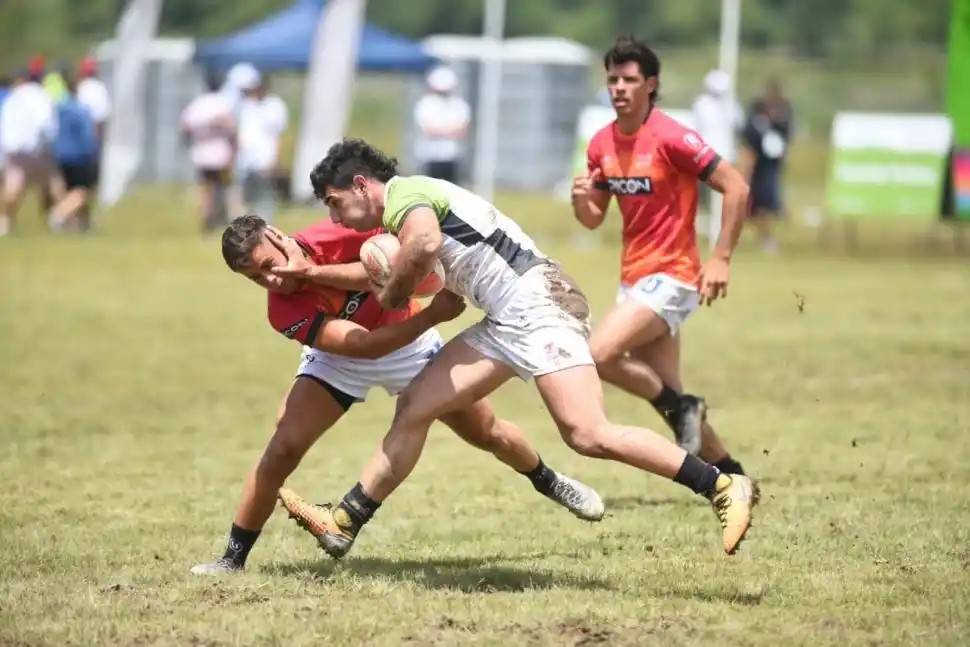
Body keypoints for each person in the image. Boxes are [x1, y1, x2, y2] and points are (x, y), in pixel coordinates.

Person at [275, 137, 760, 561]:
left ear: (362, 185)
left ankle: (720, 484)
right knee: (416, 406)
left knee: (587, 434)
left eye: (335, 203)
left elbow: (423, 244)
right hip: (504, 318)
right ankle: (344, 522)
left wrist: (394, 294)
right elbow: (423, 259)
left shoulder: (405, 197)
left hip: (538, 304)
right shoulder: (405, 208)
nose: (334, 216)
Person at [190, 215, 605, 574]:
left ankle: (549, 481)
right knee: (281, 448)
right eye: (255, 278)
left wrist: (320, 274)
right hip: (343, 356)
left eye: (268, 265)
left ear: (278, 237)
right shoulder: (280, 310)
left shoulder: (336, 233)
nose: (270, 280)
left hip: (410, 346)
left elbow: (399, 259)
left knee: (486, 431)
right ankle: (232, 559)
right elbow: (363, 347)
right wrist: (431, 315)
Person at [571, 36, 750, 477]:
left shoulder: (673, 137)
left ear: (650, 85)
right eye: (612, 79)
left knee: (600, 354)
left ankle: (684, 408)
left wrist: (721, 257)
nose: (618, 88)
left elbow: (736, 187)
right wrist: (580, 199)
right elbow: (594, 218)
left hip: (675, 273)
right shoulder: (601, 144)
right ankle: (731, 474)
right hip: (634, 277)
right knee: (670, 396)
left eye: (629, 80)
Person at [0, 68, 56, 236]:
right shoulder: (41, 96)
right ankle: (59, 217)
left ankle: (5, 221)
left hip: (13, 146)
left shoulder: (15, 95)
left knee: (14, 184)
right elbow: (45, 123)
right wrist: (48, 144)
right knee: (52, 183)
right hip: (34, 147)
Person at [740, 78, 793, 254]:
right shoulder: (756, 123)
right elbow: (750, 148)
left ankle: (766, 237)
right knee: (756, 207)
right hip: (759, 168)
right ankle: (764, 238)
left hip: (772, 168)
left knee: (767, 206)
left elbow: (783, 144)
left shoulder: (781, 121)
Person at [180, 72, 237, 233]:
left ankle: (208, 218)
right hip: (221, 154)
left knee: (206, 188)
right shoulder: (224, 103)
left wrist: (194, 141)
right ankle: (224, 217)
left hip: (202, 154)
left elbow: (185, 127)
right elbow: (232, 128)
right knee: (225, 187)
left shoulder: (197, 104)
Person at [49, 75, 99, 232]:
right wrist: (93, 152)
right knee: (82, 191)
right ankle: (59, 214)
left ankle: (78, 225)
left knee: (66, 189)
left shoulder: (57, 109)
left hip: (59, 153)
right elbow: (87, 135)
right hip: (78, 155)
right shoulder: (80, 110)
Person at [236, 72, 287, 224]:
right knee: (245, 196)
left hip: (265, 158)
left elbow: (278, 135)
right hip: (245, 160)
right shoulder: (246, 106)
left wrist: (275, 158)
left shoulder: (275, 105)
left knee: (264, 197)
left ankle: (264, 227)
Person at [412, 66, 470, 184]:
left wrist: (441, 130)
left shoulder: (459, 104)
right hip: (430, 157)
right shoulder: (426, 104)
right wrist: (450, 130)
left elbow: (463, 130)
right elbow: (428, 130)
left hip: (452, 156)